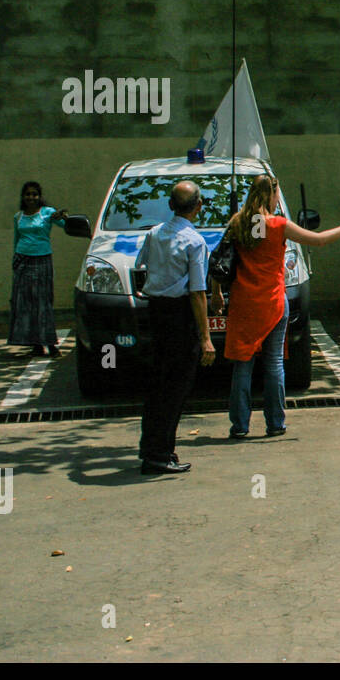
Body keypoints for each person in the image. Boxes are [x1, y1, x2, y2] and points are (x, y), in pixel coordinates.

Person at [215, 175, 340, 439]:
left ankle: (239, 425)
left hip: (243, 303)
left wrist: (217, 293)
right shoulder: (278, 224)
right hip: (273, 301)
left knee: (242, 365)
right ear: (272, 195)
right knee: (273, 362)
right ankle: (275, 423)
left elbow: (219, 260)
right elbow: (319, 240)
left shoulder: (237, 223)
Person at [134, 181, 216, 475]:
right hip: (180, 316)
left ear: (170, 205)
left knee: (158, 384)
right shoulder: (195, 242)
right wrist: (206, 337)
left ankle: (154, 447)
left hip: (157, 312)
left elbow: (141, 267)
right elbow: (197, 292)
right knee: (175, 388)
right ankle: (159, 452)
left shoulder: (154, 233)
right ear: (199, 206)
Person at [9, 181, 69, 358]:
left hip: (42, 260)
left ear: (39, 196)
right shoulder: (18, 216)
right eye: (28, 194)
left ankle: (51, 344)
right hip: (22, 261)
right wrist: (15, 261)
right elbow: (16, 239)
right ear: (23, 196)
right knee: (25, 304)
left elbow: (65, 226)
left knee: (43, 302)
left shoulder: (47, 213)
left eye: (34, 194)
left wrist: (63, 217)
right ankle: (35, 345)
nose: (31, 197)